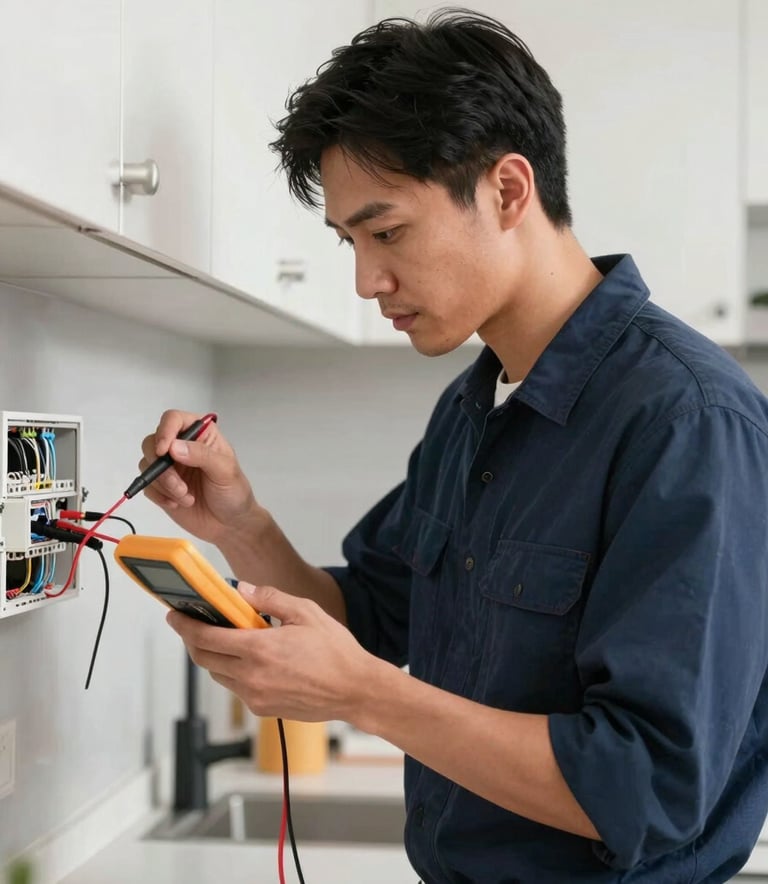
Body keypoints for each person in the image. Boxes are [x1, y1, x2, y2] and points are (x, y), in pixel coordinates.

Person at [138, 9, 768, 883]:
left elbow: (647, 787)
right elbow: (372, 618)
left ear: (509, 191)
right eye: (349, 242)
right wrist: (238, 521)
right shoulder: (470, 410)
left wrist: (360, 694)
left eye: (387, 231)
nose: (367, 280)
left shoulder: (687, 421)